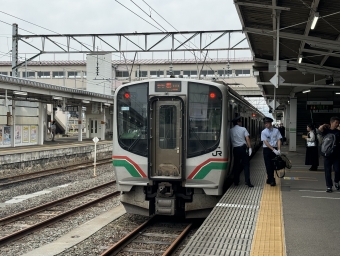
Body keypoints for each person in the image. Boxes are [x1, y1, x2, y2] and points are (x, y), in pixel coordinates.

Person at [317, 116, 340, 193]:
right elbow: (319, 130)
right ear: (332, 122)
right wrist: (323, 125)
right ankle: (329, 186)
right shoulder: (326, 131)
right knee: (327, 171)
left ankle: (336, 181)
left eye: (338, 123)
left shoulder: (338, 131)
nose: (337, 124)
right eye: (336, 122)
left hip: (337, 155)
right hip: (327, 155)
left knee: (337, 170)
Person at [230, 116, 254, 187]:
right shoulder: (243, 129)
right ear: (238, 122)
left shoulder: (230, 130)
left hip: (235, 149)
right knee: (246, 165)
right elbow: (247, 139)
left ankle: (236, 182)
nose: (241, 123)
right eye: (240, 121)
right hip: (243, 149)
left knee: (236, 165)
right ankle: (247, 182)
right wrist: (250, 148)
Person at [261, 117, 282, 186]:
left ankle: (269, 179)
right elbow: (266, 142)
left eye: (267, 123)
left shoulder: (276, 131)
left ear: (270, 123)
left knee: (273, 164)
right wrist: (273, 150)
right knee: (268, 165)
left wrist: (278, 149)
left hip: (275, 149)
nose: (265, 124)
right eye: (265, 123)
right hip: (267, 149)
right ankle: (272, 180)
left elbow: (279, 140)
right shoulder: (263, 132)